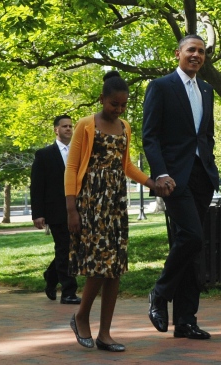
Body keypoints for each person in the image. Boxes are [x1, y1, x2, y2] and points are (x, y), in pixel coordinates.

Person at [65, 71, 155, 352]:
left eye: (123, 106)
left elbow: (126, 166)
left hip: (116, 202)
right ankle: (81, 315)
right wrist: (71, 209)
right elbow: (71, 167)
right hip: (91, 201)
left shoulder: (125, 127)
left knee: (114, 268)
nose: (118, 109)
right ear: (102, 99)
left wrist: (151, 182)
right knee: (99, 265)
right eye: (113, 104)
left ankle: (105, 333)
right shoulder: (85, 125)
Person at [142, 34, 220, 340]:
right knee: (191, 235)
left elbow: (206, 134)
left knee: (194, 248)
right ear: (178, 53)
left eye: (201, 51)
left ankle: (186, 321)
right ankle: (160, 293)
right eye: (191, 50)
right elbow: (150, 136)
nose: (197, 55)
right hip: (173, 179)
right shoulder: (161, 87)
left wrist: (210, 164)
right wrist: (160, 173)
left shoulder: (207, 89)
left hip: (203, 176)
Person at [30, 114, 80, 305]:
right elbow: (37, 186)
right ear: (56, 130)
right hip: (56, 211)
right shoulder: (44, 155)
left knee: (72, 249)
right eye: (64, 126)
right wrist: (38, 214)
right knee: (65, 248)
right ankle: (68, 292)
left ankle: (51, 276)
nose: (68, 129)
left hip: (78, 209)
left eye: (70, 126)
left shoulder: (80, 151)